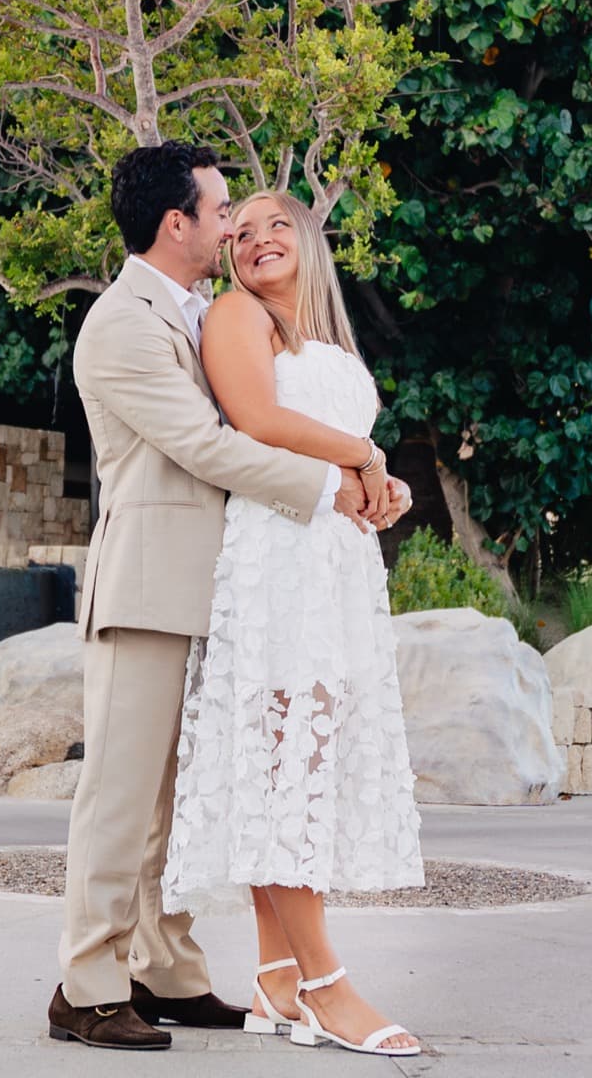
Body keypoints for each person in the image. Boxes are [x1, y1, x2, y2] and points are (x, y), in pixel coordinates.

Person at [50, 143, 410, 1053]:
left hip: (210, 585)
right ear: (177, 223)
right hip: (146, 585)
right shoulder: (123, 324)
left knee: (170, 800)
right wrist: (339, 483)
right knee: (120, 796)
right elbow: (208, 449)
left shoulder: (200, 310)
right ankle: (86, 985)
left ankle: (164, 970)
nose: (230, 230)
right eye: (220, 214)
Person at [159, 187, 427, 1058]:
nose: (257, 241)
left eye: (279, 225)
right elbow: (260, 421)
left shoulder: (327, 341)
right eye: (240, 233)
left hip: (334, 564)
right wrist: (366, 457)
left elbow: (335, 437)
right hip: (278, 558)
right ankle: (326, 985)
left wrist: (386, 489)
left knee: (298, 763)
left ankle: (277, 981)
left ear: (311, 243)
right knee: (286, 768)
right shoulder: (236, 316)